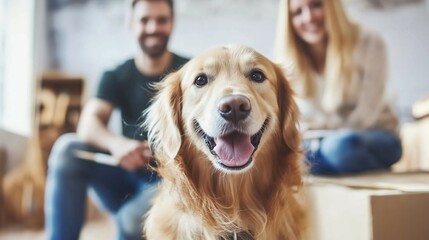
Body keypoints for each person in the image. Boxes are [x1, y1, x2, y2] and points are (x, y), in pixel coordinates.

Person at [44, 0, 189, 239]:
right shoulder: (116, 76)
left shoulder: (191, 73)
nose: (153, 27)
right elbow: (88, 124)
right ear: (130, 23)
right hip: (124, 173)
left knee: (131, 222)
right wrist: (117, 145)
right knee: (67, 149)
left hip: (169, 180)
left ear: (171, 23)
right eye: (144, 20)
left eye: (161, 20)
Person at [274, 0, 402, 175]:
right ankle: (330, 164)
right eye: (297, 12)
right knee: (280, 154)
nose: (308, 17)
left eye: (316, 5)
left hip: (374, 134)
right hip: (320, 140)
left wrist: (318, 129)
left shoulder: (369, 43)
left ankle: (319, 165)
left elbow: (365, 117)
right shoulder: (289, 62)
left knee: (339, 147)